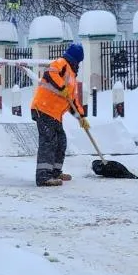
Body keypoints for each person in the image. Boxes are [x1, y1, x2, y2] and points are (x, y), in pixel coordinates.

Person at [28, 42, 87, 187]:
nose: (78, 64)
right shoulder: (61, 63)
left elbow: (73, 100)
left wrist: (81, 117)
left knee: (61, 141)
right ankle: (43, 176)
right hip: (42, 109)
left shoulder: (72, 75)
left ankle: (55, 172)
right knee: (49, 141)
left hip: (54, 114)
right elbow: (50, 73)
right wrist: (62, 87)